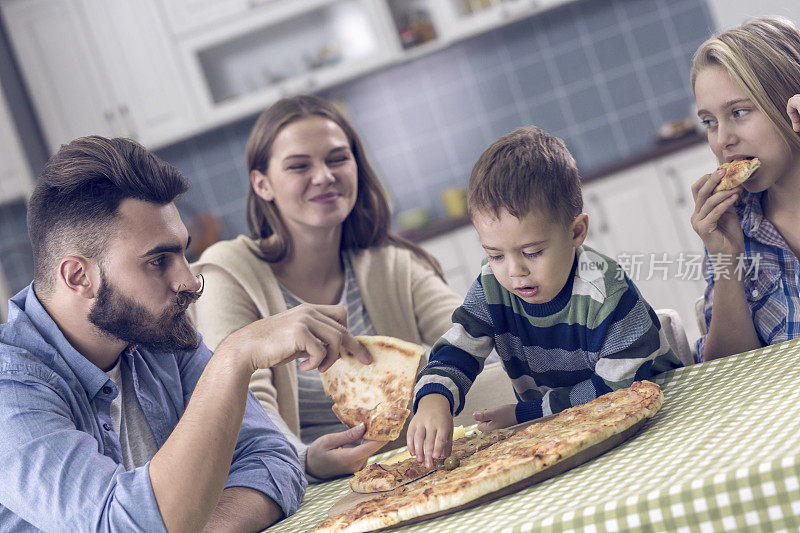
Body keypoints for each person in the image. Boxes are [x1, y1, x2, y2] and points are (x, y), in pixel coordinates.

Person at [0, 136, 371, 531]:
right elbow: (122, 526)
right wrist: (234, 357)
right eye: (158, 261)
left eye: (182, 253)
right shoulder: (12, 389)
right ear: (79, 277)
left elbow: (272, 460)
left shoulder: (157, 333)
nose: (190, 281)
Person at [191, 94, 462, 480]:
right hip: (295, 485)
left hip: (413, 471)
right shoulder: (229, 272)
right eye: (299, 165)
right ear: (262, 184)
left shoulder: (391, 262)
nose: (324, 176)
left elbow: (469, 336)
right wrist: (305, 460)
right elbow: (244, 402)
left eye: (337, 159)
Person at [407, 126, 681, 467]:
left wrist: (528, 413)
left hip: (660, 421)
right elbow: (458, 348)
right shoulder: (493, 286)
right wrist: (434, 397)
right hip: (571, 431)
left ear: (576, 231)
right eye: (495, 254)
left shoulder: (606, 292)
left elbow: (620, 393)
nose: (513, 271)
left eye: (532, 251)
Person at [690, 16, 800, 361]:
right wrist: (726, 260)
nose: (723, 139)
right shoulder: (734, 221)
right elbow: (727, 373)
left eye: (739, 112)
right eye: (709, 122)